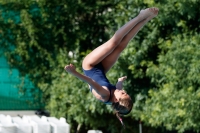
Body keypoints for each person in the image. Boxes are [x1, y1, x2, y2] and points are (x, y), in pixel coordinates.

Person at [64, 7, 159, 126]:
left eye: (123, 94)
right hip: (101, 69)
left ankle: (140, 16)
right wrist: (120, 81)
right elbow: (117, 88)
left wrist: (73, 72)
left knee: (113, 43)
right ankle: (147, 19)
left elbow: (90, 81)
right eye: (125, 92)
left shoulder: (104, 94)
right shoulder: (115, 96)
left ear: (116, 100)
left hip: (89, 65)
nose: (123, 91)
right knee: (121, 46)